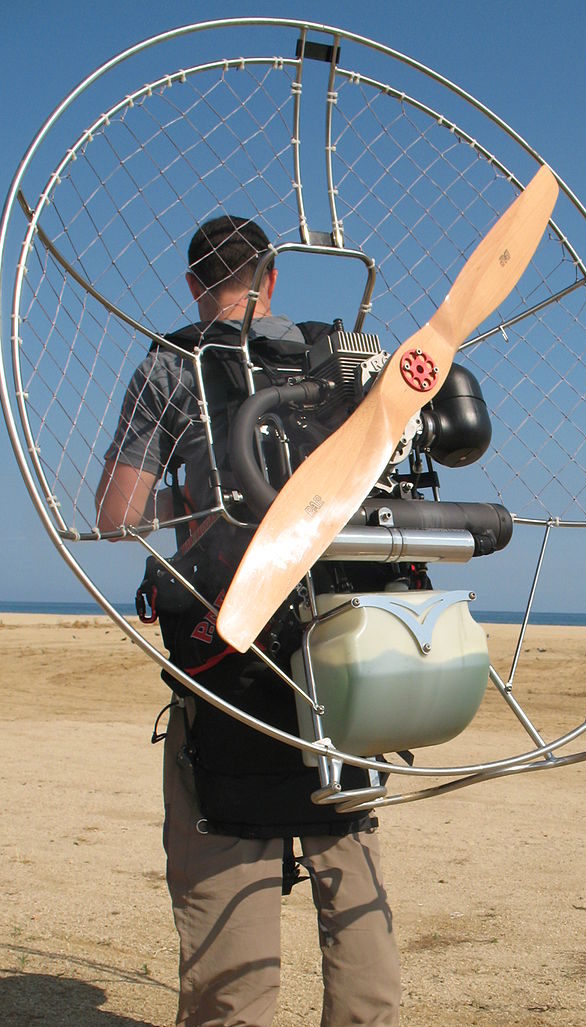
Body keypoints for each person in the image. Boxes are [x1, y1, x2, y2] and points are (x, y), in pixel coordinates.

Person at [96, 216, 402, 1027]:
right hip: (345, 657)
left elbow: (116, 510)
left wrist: (200, 501)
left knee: (227, 877)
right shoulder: (331, 354)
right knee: (351, 866)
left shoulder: (172, 364)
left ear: (194, 285)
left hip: (229, 657)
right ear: (272, 283)